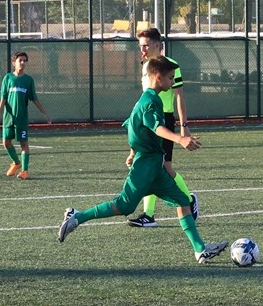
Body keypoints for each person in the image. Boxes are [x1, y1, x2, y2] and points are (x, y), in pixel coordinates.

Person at [56, 56, 228, 263]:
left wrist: (132, 152)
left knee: (183, 200)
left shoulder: (145, 98)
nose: (173, 82)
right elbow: (156, 127)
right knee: (124, 206)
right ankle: (76, 217)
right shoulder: (151, 101)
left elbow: (132, 126)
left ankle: (200, 249)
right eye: (171, 78)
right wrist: (180, 139)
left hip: (154, 164)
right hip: (146, 165)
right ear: (158, 77)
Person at [127, 26, 199, 227]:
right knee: (151, 165)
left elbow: (179, 96)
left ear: (157, 45)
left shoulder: (171, 65)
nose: (142, 49)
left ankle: (188, 200)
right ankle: (148, 215)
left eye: (146, 45)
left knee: (165, 167)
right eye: (140, 45)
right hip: (149, 120)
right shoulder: (146, 66)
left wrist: (184, 126)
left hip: (164, 120)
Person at [0, 51, 51, 180]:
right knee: (6, 143)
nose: (23, 63)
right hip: (9, 117)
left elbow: (34, 98)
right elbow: (3, 98)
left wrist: (45, 113)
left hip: (22, 118)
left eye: (25, 60)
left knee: (24, 144)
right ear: (14, 62)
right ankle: (16, 163)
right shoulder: (8, 78)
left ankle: (24, 171)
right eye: (20, 60)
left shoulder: (28, 80)